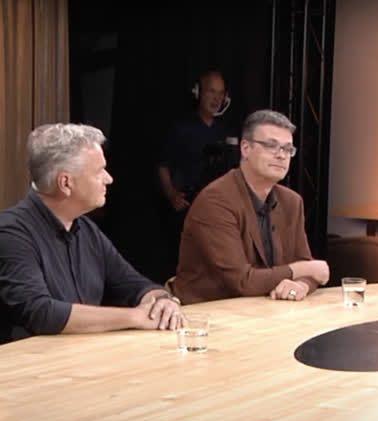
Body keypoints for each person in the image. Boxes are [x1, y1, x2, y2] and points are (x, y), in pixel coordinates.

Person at [0, 124, 184, 344]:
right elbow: (40, 313)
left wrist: (163, 301)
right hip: (30, 362)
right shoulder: (11, 233)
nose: (109, 179)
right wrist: (135, 317)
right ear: (66, 183)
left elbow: (134, 284)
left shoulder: (86, 230)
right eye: (99, 172)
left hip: (82, 357)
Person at [173, 109, 329, 304]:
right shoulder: (215, 200)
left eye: (288, 149)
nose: (281, 155)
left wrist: (301, 285)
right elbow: (242, 281)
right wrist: (301, 270)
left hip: (266, 310)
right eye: (271, 146)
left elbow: (308, 268)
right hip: (207, 313)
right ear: (245, 148)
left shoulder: (292, 202)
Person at [157, 70, 235, 279]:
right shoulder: (181, 127)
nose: (216, 98)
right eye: (211, 91)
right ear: (198, 92)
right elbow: (163, 165)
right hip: (188, 204)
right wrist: (171, 194)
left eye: (221, 93)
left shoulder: (226, 130)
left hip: (219, 206)